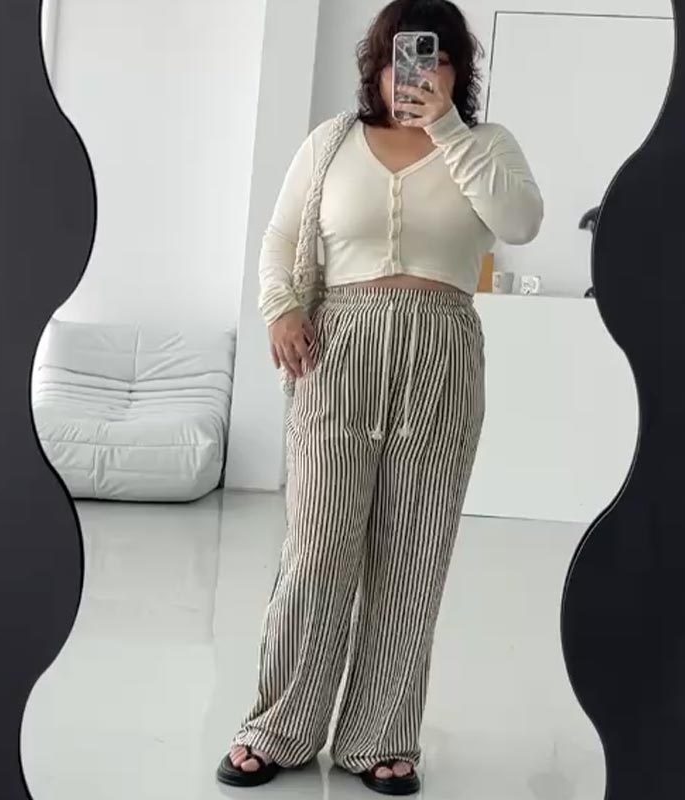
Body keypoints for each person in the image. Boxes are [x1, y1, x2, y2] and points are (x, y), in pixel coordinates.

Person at [217, 0, 543, 794]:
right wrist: (280, 307)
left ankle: (380, 738)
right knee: (317, 545)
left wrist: (448, 131)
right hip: (337, 348)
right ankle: (280, 726)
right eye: (402, 57)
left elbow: (520, 223)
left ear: (458, 69)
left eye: (434, 57)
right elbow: (281, 236)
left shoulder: (485, 146)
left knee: (414, 551)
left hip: (441, 351)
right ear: (377, 65)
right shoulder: (331, 142)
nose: (416, 74)